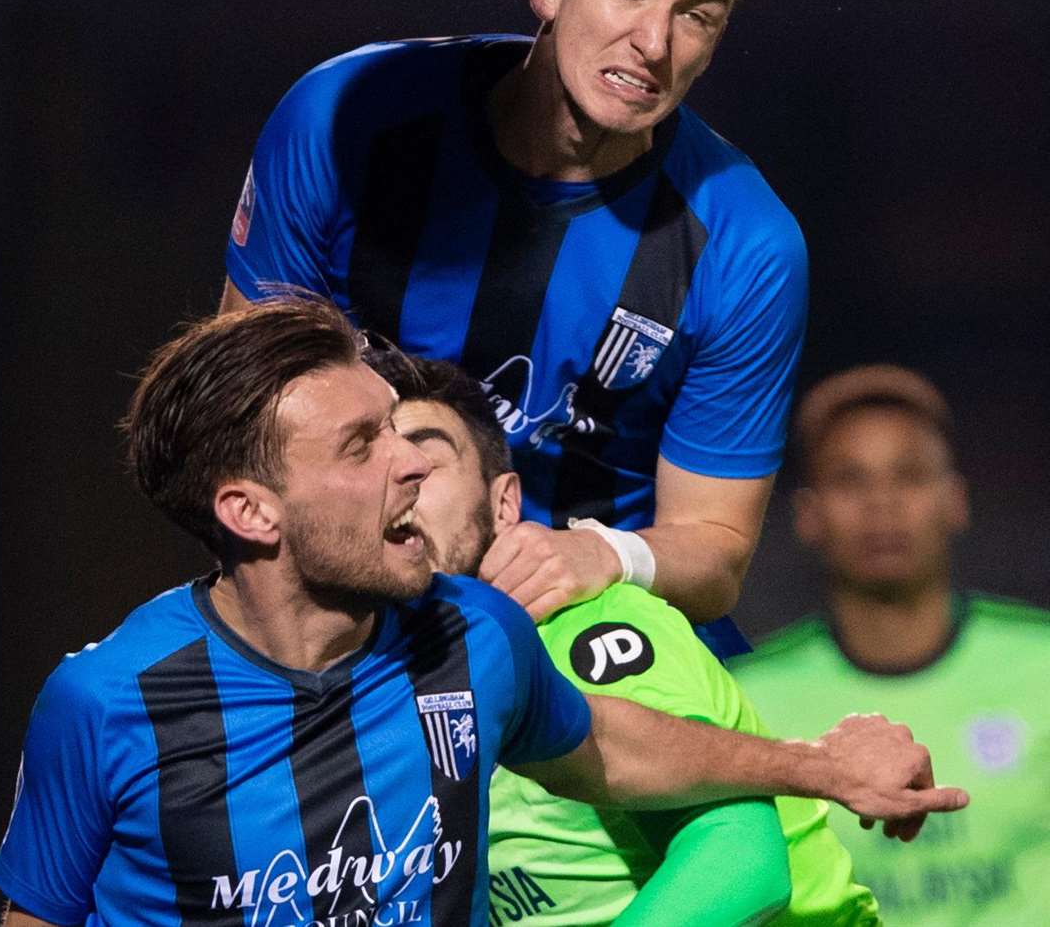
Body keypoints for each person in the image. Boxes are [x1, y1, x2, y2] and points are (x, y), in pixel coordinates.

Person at [0, 303, 966, 927]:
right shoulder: (104, 705)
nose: (410, 463)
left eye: (412, 435)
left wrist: (821, 769)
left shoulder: (475, 634)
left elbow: (615, 748)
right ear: (251, 511)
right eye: (362, 444)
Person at [219, 0, 807, 654]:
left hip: (604, 646)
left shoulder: (748, 245)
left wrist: (599, 555)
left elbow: (713, 552)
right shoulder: (345, 124)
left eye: (698, 14)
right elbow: (238, 411)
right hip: (358, 618)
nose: (652, 43)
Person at [366, 344, 883, 926]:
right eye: (370, 463)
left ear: (504, 503)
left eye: (425, 460)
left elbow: (742, 860)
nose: (401, 480)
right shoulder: (374, 688)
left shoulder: (583, 624)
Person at [731, 364, 1050, 925]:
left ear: (956, 500)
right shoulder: (745, 698)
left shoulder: (1042, 664)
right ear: (808, 515)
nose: (882, 502)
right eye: (850, 479)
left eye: (909, 474)